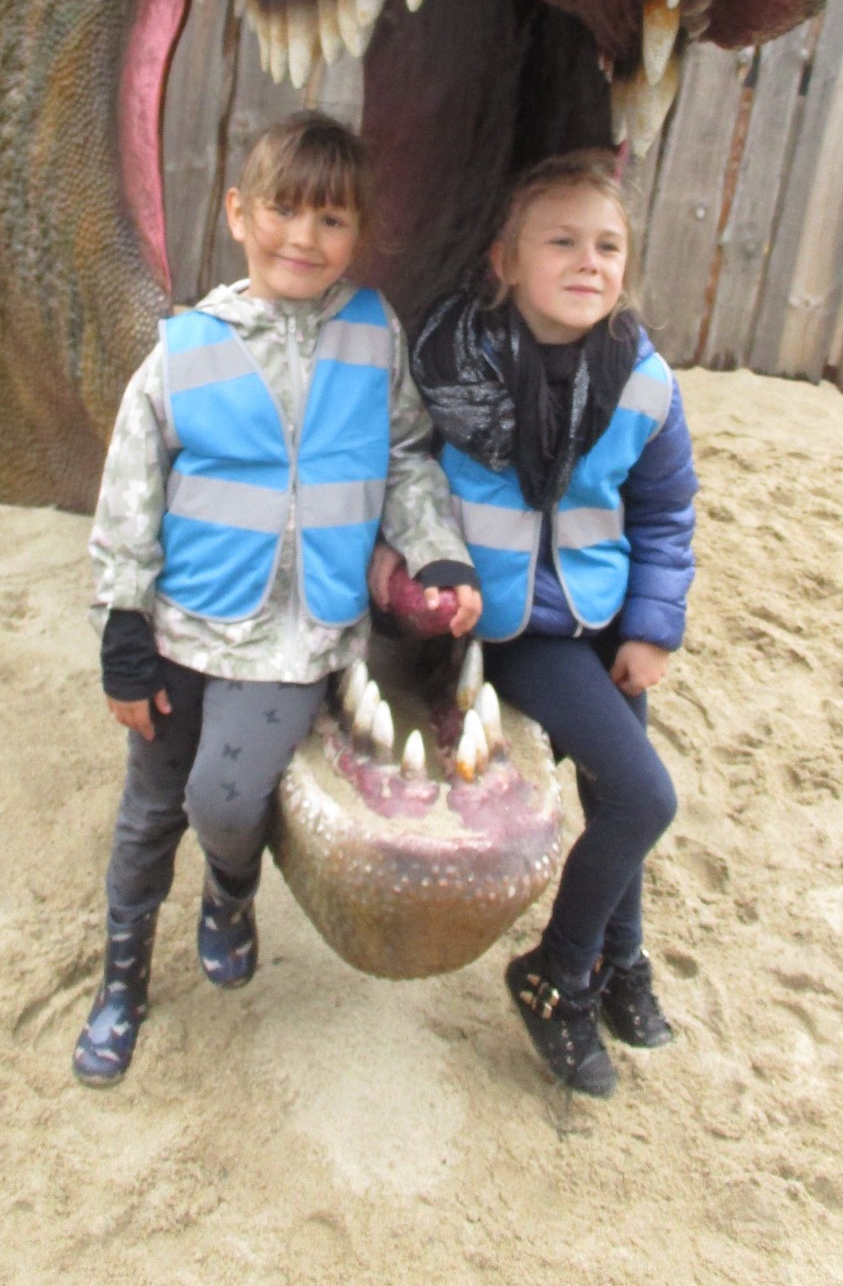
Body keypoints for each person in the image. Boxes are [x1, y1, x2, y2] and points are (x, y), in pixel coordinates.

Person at [75, 111, 480, 1086]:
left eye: (331, 219)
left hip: (296, 639)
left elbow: (407, 457)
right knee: (148, 812)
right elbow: (128, 495)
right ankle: (122, 980)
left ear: (358, 232)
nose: (304, 237)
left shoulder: (372, 335)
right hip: (181, 627)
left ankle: (229, 889)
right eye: (284, 211)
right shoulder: (186, 349)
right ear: (238, 213)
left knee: (224, 799)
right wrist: (122, 628)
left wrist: (437, 553)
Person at [374, 150, 697, 1098]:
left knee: (615, 794)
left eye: (608, 246)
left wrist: (652, 626)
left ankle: (617, 957)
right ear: (506, 262)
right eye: (561, 242)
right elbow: (405, 473)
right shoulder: (451, 367)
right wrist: (419, 573)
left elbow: (665, 511)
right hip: (517, 628)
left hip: (603, 616)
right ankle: (555, 976)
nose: (588, 261)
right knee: (644, 799)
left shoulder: (642, 381)